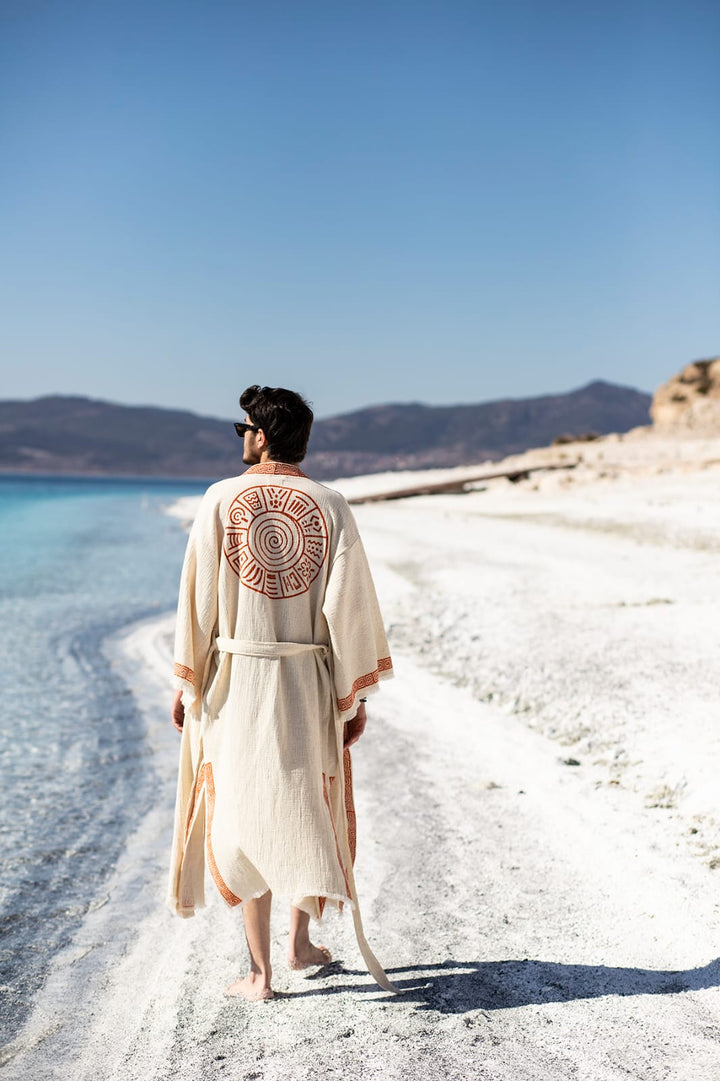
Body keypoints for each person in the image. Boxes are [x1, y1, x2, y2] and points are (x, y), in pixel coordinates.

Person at [168, 384, 395, 1000]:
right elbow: (349, 608)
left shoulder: (220, 499)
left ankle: (262, 973)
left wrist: (186, 680)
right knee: (304, 802)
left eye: (244, 427)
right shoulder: (330, 505)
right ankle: (298, 946)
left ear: (261, 435)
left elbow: (198, 602)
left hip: (236, 681)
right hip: (306, 679)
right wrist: (355, 697)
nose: (242, 436)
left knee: (246, 809)